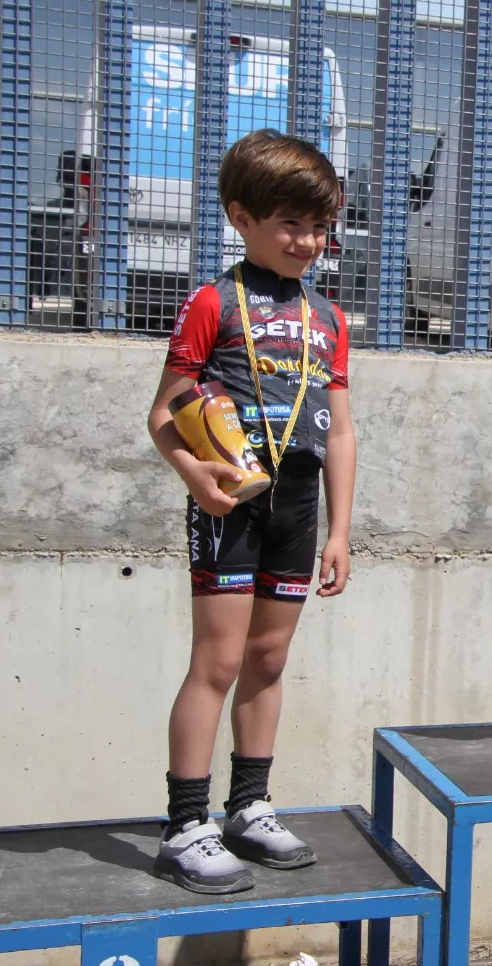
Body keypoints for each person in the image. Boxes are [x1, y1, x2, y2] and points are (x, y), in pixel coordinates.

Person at [146, 130, 355, 893]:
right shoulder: (212, 301)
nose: (307, 241)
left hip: (297, 501)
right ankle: (185, 825)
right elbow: (164, 412)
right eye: (289, 225)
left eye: (320, 225)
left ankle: (249, 806)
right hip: (230, 500)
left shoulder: (327, 319)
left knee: (269, 661)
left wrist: (338, 530)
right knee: (219, 663)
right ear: (241, 217)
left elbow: (342, 428)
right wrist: (193, 471)